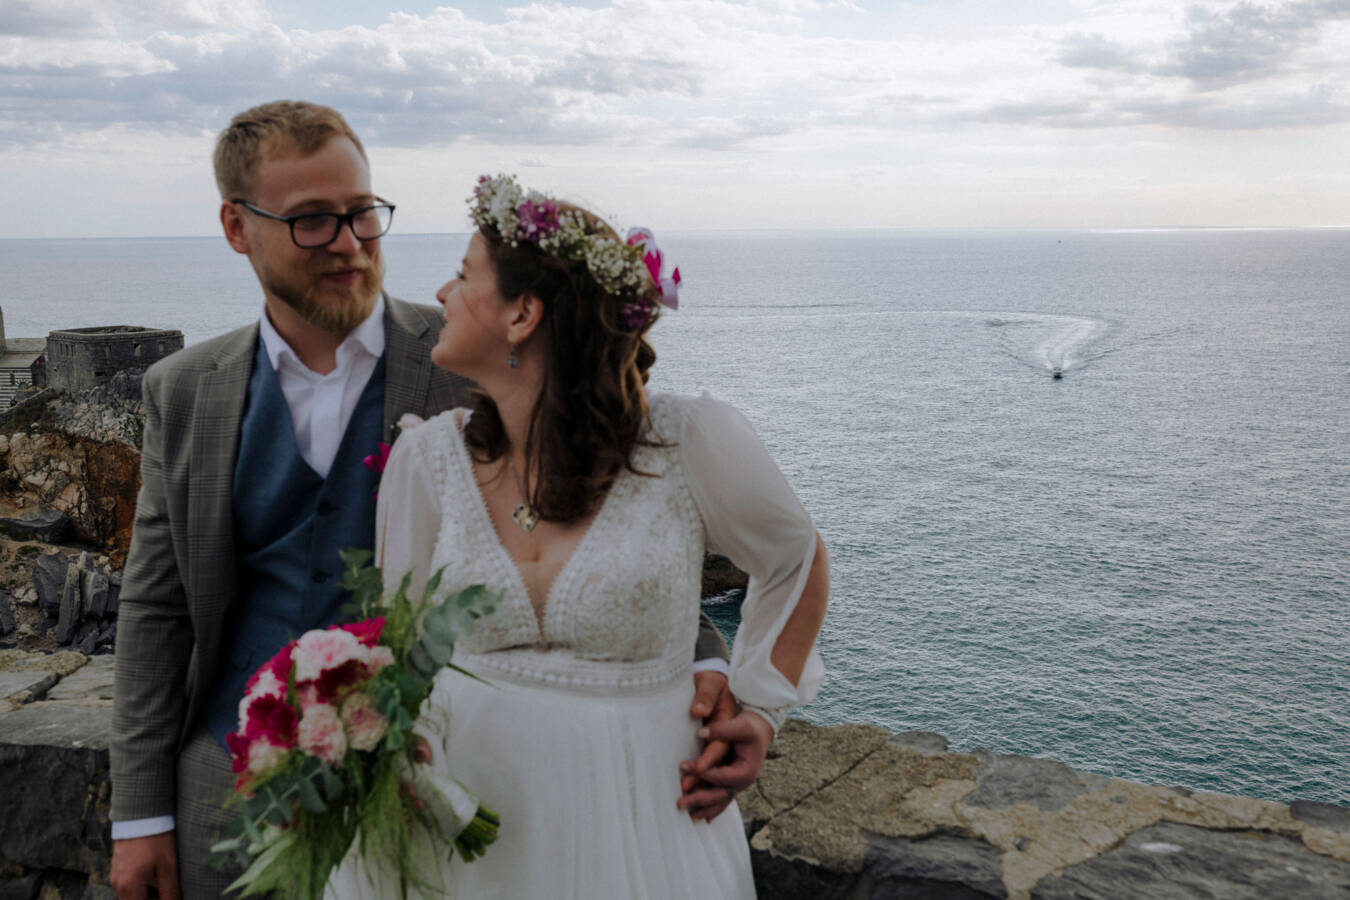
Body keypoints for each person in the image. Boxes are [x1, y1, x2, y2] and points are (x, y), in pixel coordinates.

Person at [108, 101, 737, 900]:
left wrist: (705, 660)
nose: (349, 241)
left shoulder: (478, 358)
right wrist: (139, 816)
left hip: (440, 791)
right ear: (238, 226)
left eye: (363, 212)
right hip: (226, 791)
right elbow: (157, 605)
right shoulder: (184, 390)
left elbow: (618, 520)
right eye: (312, 220)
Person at [326, 176, 830, 898]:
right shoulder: (426, 460)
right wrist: (390, 736)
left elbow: (796, 558)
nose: (441, 293)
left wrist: (758, 706)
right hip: (462, 831)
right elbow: (397, 643)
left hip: (642, 825)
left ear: (522, 314)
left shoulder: (685, 442)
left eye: (464, 276)